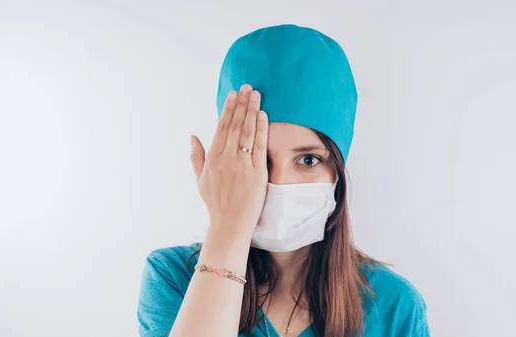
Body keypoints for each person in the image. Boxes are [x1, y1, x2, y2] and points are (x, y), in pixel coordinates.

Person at [137, 24, 430, 337]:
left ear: (336, 174)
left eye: (308, 160)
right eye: (259, 160)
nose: (280, 183)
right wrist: (226, 228)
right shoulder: (173, 278)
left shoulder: (394, 304)